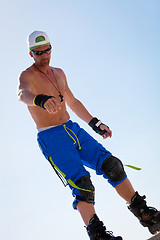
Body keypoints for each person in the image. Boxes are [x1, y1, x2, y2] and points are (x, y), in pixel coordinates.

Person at [17, 30, 160, 240]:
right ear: (31, 54)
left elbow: (72, 102)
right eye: (38, 53)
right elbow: (21, 94)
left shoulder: (59, 73)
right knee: (82, 184)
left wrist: (95, 123)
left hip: (73, 129)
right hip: (52, 138)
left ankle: (144, 213)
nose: (44, 56)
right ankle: (99, 235)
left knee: (112, 165)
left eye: (47, 50)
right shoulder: (27, 76)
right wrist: (41, 100)